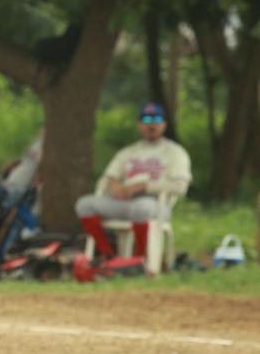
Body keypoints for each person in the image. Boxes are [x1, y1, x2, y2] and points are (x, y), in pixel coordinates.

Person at [74, 102, 191, 260]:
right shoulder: (128, 152)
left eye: (157, 119)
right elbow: (107, 178)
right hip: (125, 202)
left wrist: (145, 186)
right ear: (139, 125)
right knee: (85, 204)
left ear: (164, 124)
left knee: (141, 208)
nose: (152, 125)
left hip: (157, 204)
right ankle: (107, 255)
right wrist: (114, 186)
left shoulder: (175, 152)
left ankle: (141, 259)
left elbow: (180, 187)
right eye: (147, 120)